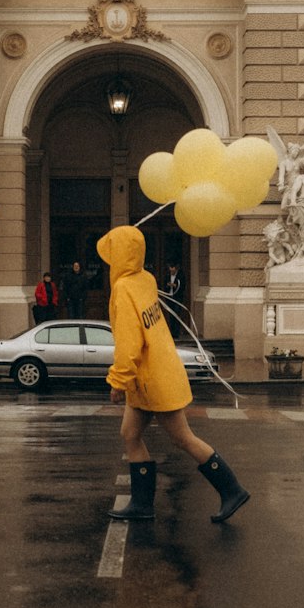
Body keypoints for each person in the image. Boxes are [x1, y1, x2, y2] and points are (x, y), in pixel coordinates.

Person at [96, 225, 249, 524]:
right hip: (155, 374)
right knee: (130, 434)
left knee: (183, 438)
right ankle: (142, 504)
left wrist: (117, 381)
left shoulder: (124, 289)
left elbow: (129, 343)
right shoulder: (146, 279)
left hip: (152, 379)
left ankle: (232, 490)